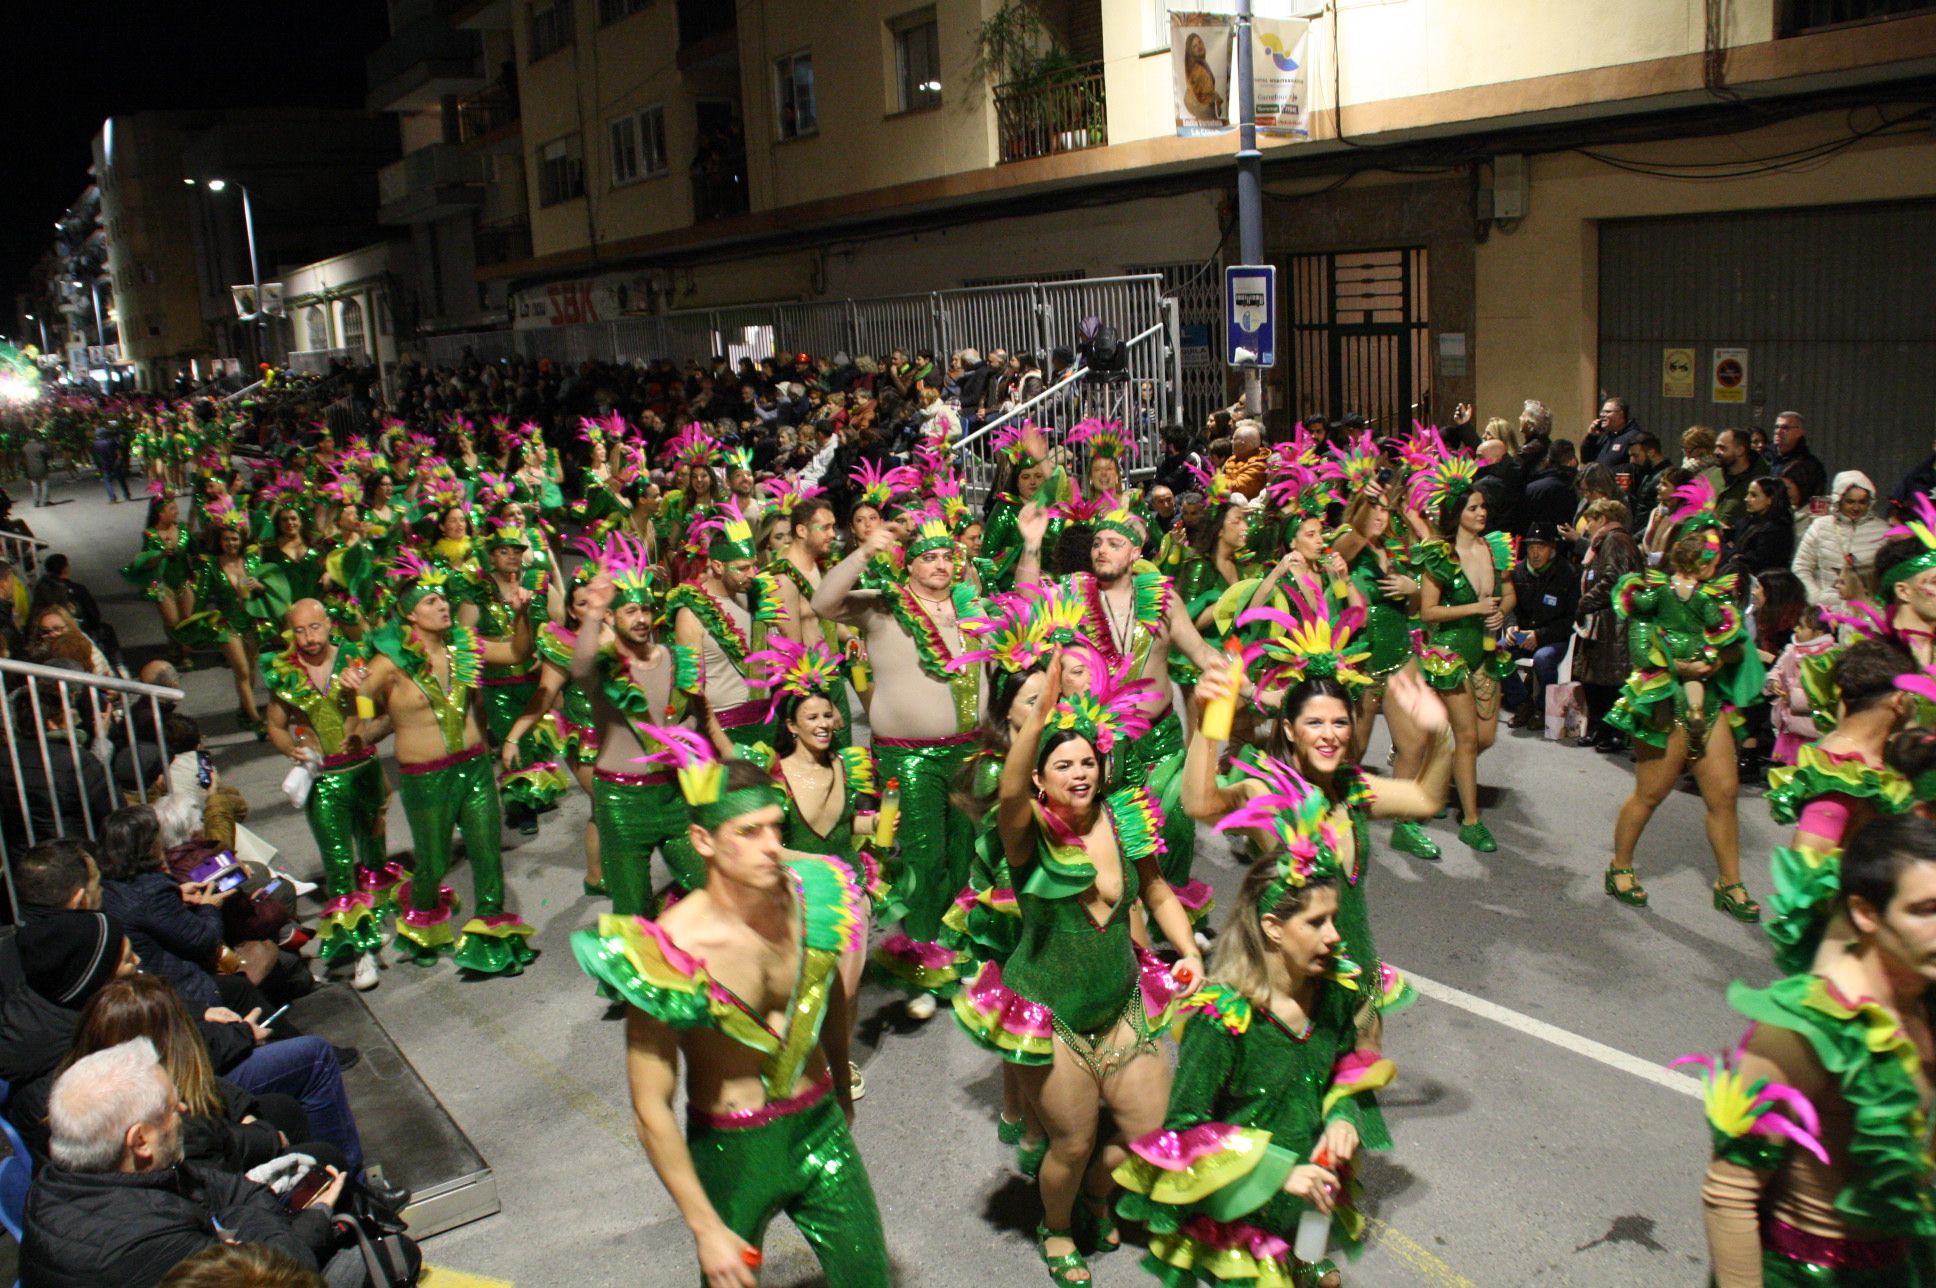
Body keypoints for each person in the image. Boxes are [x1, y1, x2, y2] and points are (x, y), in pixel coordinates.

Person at [572, 753, 889, 1288]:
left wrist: (837, 1081)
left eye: (775, 827)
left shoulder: (811, 896)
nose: (771, 845)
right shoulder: (669, 951)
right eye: (748, 831)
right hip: (731, 1148)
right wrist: (704, 1229)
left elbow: (827, 995)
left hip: (820, 1128)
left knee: (869, 1277)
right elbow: (650, 1104)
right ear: (703, 841)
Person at [952, 650, 1200, 1286]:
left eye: (1087, 760)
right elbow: (1007, 788)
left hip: (1122, 1003)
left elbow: (1159, 892)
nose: (1080, 773)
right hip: (1053, 1016)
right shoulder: (1025, 832)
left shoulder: (1123, 817)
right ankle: (1056, 1228)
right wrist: (1039, 713)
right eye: (1063, 765)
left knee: (1148, 1131)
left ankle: (1096, 1192)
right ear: (1039, 778)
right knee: (1070, 1142)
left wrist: (1189, 949)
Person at [1115, 776, 1397, 1288]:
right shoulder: (1224, 1019)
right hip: (1241, 1220)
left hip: (1309, 1202)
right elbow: (1186, 1127)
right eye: (1318, 923)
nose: (1336, 936)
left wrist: (1342, 1115)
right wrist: (1278, 1172)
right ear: (1272, 928)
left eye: (1335, 918)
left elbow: (1341, 1073)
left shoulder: (1332, 989)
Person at [1689, 814, 1936, 1286]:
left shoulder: (1925, 997)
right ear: (1866, 913)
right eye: (1925, 909)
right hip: (1808, 1275)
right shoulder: (1801, 1030)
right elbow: (1731, 1193)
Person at [814, 508, 988, 1019]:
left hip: (968, 749)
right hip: (908, 758)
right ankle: (919, 959)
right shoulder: (884, 607)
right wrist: (866, 551)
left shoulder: (968, 608)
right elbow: (823, 601)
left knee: (963, 855)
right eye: (927, 558)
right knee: (923, 856)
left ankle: (955, 953)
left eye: (945, 558)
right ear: (908, 565)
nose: (938, 566)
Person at [19, 1038, 359, 1288]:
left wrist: (237, 1218)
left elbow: (226, 1188)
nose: (183, 1110)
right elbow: (277, 1274)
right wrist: (311, 1225)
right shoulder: (144, 1244)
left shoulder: (61, 1179)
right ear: (139, 1141)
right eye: (171, 1106)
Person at [347, 552, 538, 975]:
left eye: (443, 599)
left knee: (487, 851)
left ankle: (492, 936)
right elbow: (362, 700)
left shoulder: (464, 646)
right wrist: (356, 697)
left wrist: (523, 615)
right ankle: (422, 924)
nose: (443, 606)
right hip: (425, 779)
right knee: (432, 862)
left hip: (473, 767)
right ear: (410, 615)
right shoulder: (390, 662)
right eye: (431, 602)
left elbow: (518, 653)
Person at [1603, 480, 1766, 919]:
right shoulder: (1651, 599)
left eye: (1714, 551)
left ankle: (1729, 882)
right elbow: (1642, 652)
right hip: (1663, 706)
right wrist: (1684, 665)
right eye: (1704, 550)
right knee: (1650, 794)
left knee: (1725, 795)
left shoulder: (1718, 600)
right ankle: (1619, 866)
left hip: (1710, 707)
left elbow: (1734, 648)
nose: (1712, 559)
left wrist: (1715, 656)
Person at [569, 536, 711, 917]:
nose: (642, 619)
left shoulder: (672, 657)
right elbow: (579, 667)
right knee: (632, 908)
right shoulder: (605, 666)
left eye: (646, 609)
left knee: (708, 886)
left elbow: (694, 714)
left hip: (672, 794)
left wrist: (690, 735)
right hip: (621, 801)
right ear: (615, 617)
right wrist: (594, 612)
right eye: (631, 610)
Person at [263, 599, 395, 991]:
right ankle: (360, 951)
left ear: (329, 625)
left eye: (315, 628)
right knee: (337, 864)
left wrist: (364, 712)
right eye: (299, 631)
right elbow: (275, 724)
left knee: (374, 857)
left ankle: (371, 923)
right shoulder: (284, 671)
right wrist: (288, 747)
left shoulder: (356, 658)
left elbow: (385, 711)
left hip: (365, 772)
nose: (308, 639)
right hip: (323, 780)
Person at [1411, 454, 1516, 852]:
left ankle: (1438, 776)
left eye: (1484, 506)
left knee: (1484, 737)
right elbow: (1428, 611)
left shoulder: (1495, 549)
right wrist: (1475, 609)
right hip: (1450, 652)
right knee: (1468, 738)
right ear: (1457, 514)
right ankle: (1471, 820)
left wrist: (1500, 614)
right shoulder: (1440, 554)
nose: (1482, 513)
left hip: (1487, 652)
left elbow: (1508, 595)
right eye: (1474, 507)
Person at [670, 500, 780, 754]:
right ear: (718, 566)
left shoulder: (754, 597)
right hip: (723, 728)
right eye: (742, 568)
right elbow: (692, 689)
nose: (752, 573)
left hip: (764, 721)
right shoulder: (690, 613)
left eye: (753, 565)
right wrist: (724, 747)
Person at [1573, 498, 1645, 750]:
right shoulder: (1605, 542)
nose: (1586, 526)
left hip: (1614, 623)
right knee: (1594, 681)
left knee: (1612, 682)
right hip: (1601, 622)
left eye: (1590, 520)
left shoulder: (1616, 540)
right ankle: (1598, 729)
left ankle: (1613, 733)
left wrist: (1585, 601)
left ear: (1602, 519)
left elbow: (1615, 579)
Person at [1502, 521, 1578, 727]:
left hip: (1553, 637)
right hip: (1523, 634)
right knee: (1498, 650)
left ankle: (1542, 709)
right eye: (1531, 548)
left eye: (1541, 548)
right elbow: (1510, 607)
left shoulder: (1566, 574)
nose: (1535, 554)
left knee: (1543, 658)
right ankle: (1522, 702)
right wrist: (1511, 626)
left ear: (1552, 549)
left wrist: (1540, 636)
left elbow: (1570, 619)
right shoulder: (1517, 573)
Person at [1792, 471, 1889, 613]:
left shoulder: (1882, 531)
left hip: (1866, 612)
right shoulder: (1820, 526)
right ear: (1838, 500)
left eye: (1862, 502)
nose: (1856, 508)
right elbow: (1801, 567)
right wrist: (1815, 598)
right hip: (1824, 610)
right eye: (1850, 501)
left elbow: (1886, 575)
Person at [1728, 476, 1796, 574]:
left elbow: (1759, 560)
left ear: (1770, 499)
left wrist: (1734, 556)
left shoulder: (1777, 529)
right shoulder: (1748, 521)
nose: (1746, 499)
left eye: (1753, 495)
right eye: (1748, 494)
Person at [1768, 410, 1827, 510]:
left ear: (1799, 432)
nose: (1778, 431)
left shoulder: (1809, 465)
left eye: (1785, 428)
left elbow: (1816, 498)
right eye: (1777, 427)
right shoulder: (1765, 458)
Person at [1707, 428, 1760, 530]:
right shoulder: (1712, 474)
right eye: (1716, 447)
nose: (1715, 452)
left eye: (1722, 448)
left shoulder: (1759, 480)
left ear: (1740, 450)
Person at [1586, 396, 1644, 468]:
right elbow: (1586, 460)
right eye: (1602, 412)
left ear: (1621, 414)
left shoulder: (1634, 437)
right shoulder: (1605, 437)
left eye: (1608, 412)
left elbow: (1637, 466)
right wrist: (1591, 438)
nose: (1602, 415)